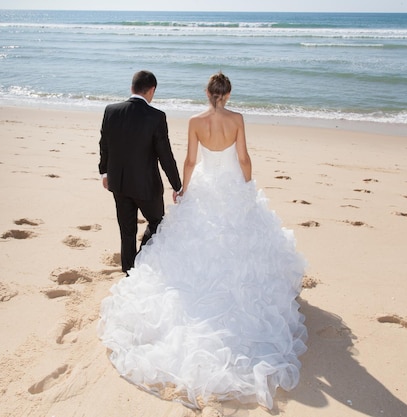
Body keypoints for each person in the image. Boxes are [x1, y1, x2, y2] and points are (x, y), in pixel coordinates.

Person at [98, 72, 307, 410]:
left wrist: (183, 188)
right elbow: (243, 158)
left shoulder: (195, 121)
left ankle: (138, 272)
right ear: (227, 94)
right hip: (230, 189)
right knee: (241, 246)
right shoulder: (237, 119)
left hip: (206, 188)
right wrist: (246, 187)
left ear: (207, 93)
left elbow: (191, 160)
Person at [98, 70, 182, 274]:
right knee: (157, 223)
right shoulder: (156, 117)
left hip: (118, 182)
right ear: (152, 90)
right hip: (146, 186)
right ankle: (141, 262)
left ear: (131, 88)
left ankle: (129, 270)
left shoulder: (111, 111)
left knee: (127, 231)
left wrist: (104, 173)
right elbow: (165, 156)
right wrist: (177, 185)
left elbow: (104, 145)